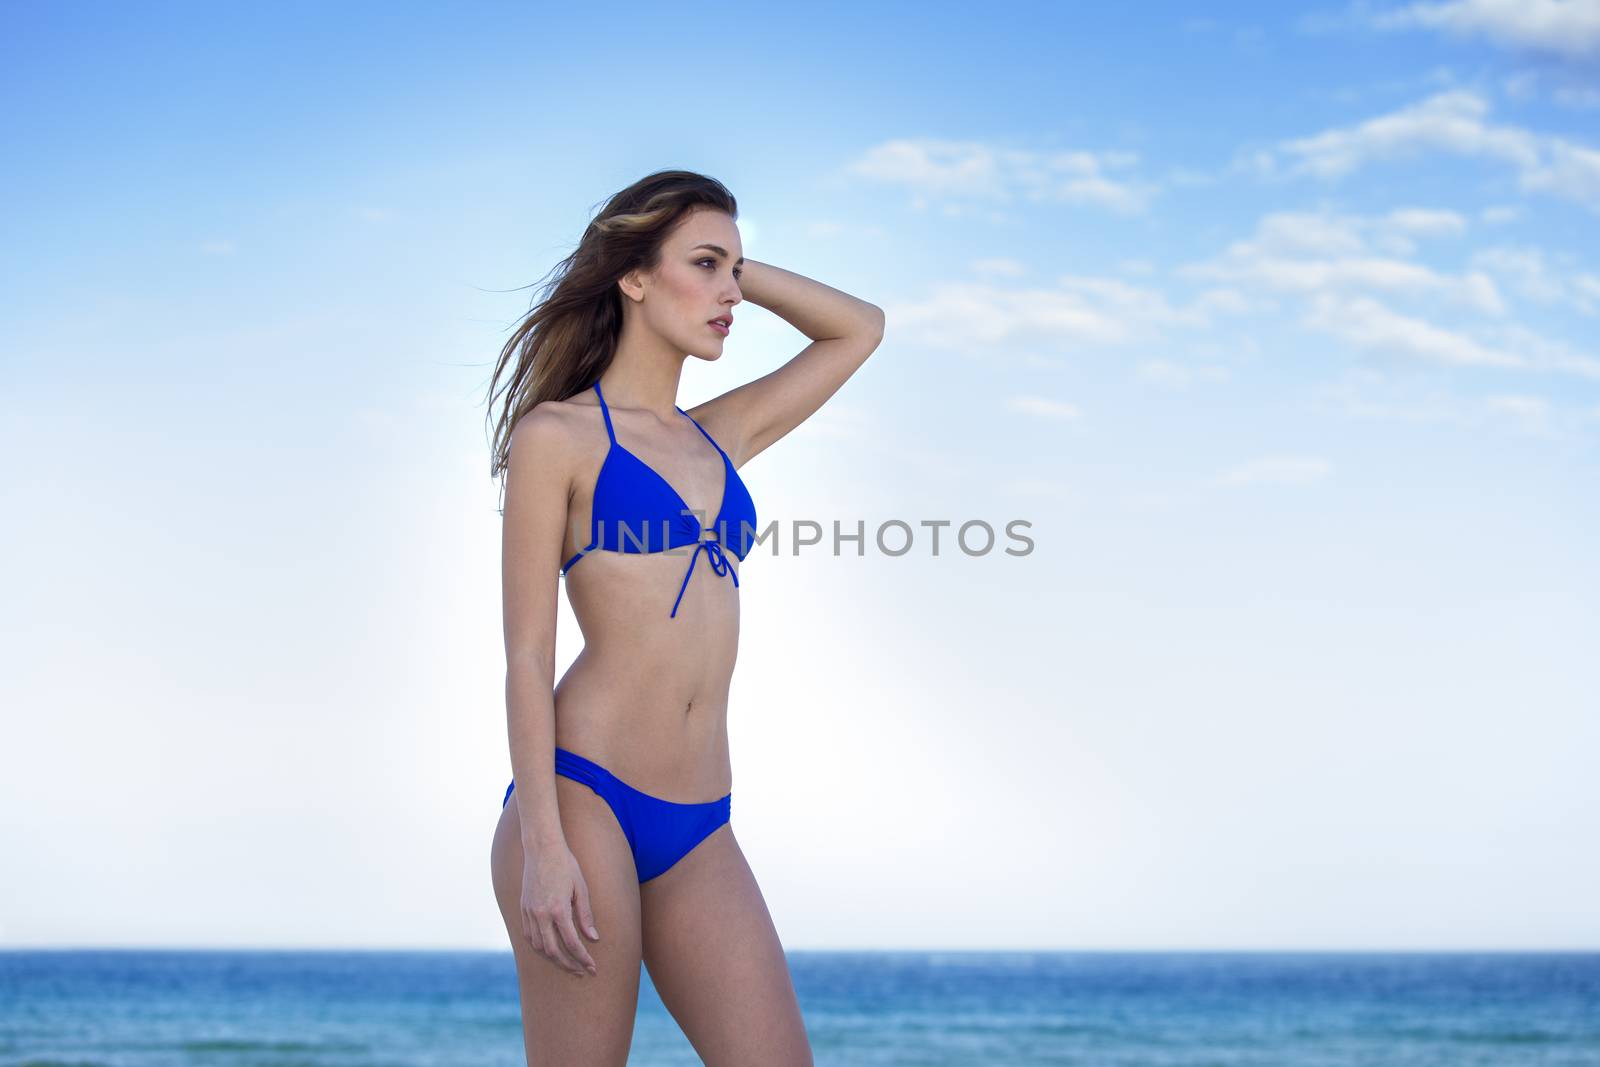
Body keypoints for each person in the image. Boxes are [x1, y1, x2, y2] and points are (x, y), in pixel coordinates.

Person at [482, 169, 884, 1065]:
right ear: (633, 274)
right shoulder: (557, 437)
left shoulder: (719, 433)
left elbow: (860, 327)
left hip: (702, 821)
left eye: (735, 273)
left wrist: (733, 262)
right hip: (585, 798)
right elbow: (524, 655)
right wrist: (542, 845)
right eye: (704, 267)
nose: (730, 294)